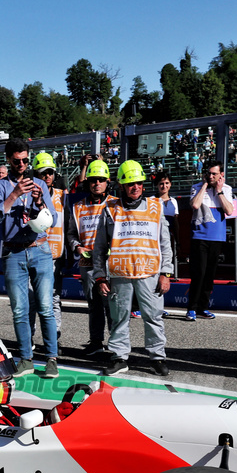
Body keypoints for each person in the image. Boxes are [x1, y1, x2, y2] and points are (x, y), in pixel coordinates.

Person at [90, 160, 173, 378]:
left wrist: (166, 273)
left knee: (153, 317)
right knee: (119, 318)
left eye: (138, 183)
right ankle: (119, 358)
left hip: (150, 274)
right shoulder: (109, 209)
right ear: (121, 186)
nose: (135, 187)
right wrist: (100, 277)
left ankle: (157, 357)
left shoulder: (156, 207)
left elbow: (165, 243)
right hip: (120, 275)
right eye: (130, 184)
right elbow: (99, 247)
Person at [0, 138, 59, 377]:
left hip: (39, 248)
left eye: (25, 160)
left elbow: (54, 220)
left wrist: (40, 202)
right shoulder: (0, 187)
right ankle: (25, 358)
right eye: (17, 160)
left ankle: (51, 358)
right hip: (12, 251)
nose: (21, 164)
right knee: (19, 310)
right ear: (9, 160)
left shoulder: (40, 183)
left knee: (45, 307)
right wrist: (14, 195)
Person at [69, 158, 115, 356]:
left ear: (107, 182)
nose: (97, 183)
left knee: (112, 305)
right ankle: (96, 342)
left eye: (101, 179)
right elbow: (70, 233)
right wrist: (76, 246)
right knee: (94, 305)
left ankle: (116, 344)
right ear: (88, 182)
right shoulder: (78, 206)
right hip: (87, 262)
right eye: (93, 180)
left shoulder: (115, 204)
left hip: (110, 263)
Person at [187, 159, 235, 320]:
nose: (211, 176)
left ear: (221, 175)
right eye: (208, 173)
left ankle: (203, 307)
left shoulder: (227, 189)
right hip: (199, 236)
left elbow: (229, 210)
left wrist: (219, 191)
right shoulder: (197, 187)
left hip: (217, 238)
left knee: (209, 274)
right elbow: (194, 205)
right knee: (198, 273)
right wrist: (205, 186)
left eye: (214, 173)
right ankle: (191, 308)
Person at [32, 151, 65, 339]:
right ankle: (30, 338)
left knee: (53, 299)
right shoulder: (26, 196)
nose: (47, 176)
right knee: (31, 300)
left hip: (54, 257)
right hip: (33, 254)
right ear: (35, 175)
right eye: (43, 173)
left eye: (50, 172)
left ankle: (55, 335)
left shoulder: (62, 196)